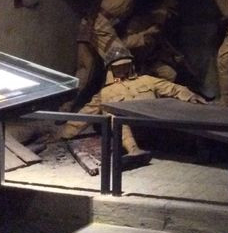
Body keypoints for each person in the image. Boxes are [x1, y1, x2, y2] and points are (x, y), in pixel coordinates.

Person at [58, 57, 207, 166]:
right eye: (118, 67)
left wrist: (189, 95)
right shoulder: (106, 92)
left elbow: (172, 88)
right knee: (113, 112)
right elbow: (86, 114)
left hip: (155, 124)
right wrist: (63, 133)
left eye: (125, 65)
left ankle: (202, 147)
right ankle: (133, 150)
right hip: (130, 131)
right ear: (111, 69)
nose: (122, 69)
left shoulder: (147, 80)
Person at [64, 0, 163, 111]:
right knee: (121, 62)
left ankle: (66, 106)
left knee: (85, 69)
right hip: (100, 24)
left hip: (90, 23)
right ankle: (119, 104)